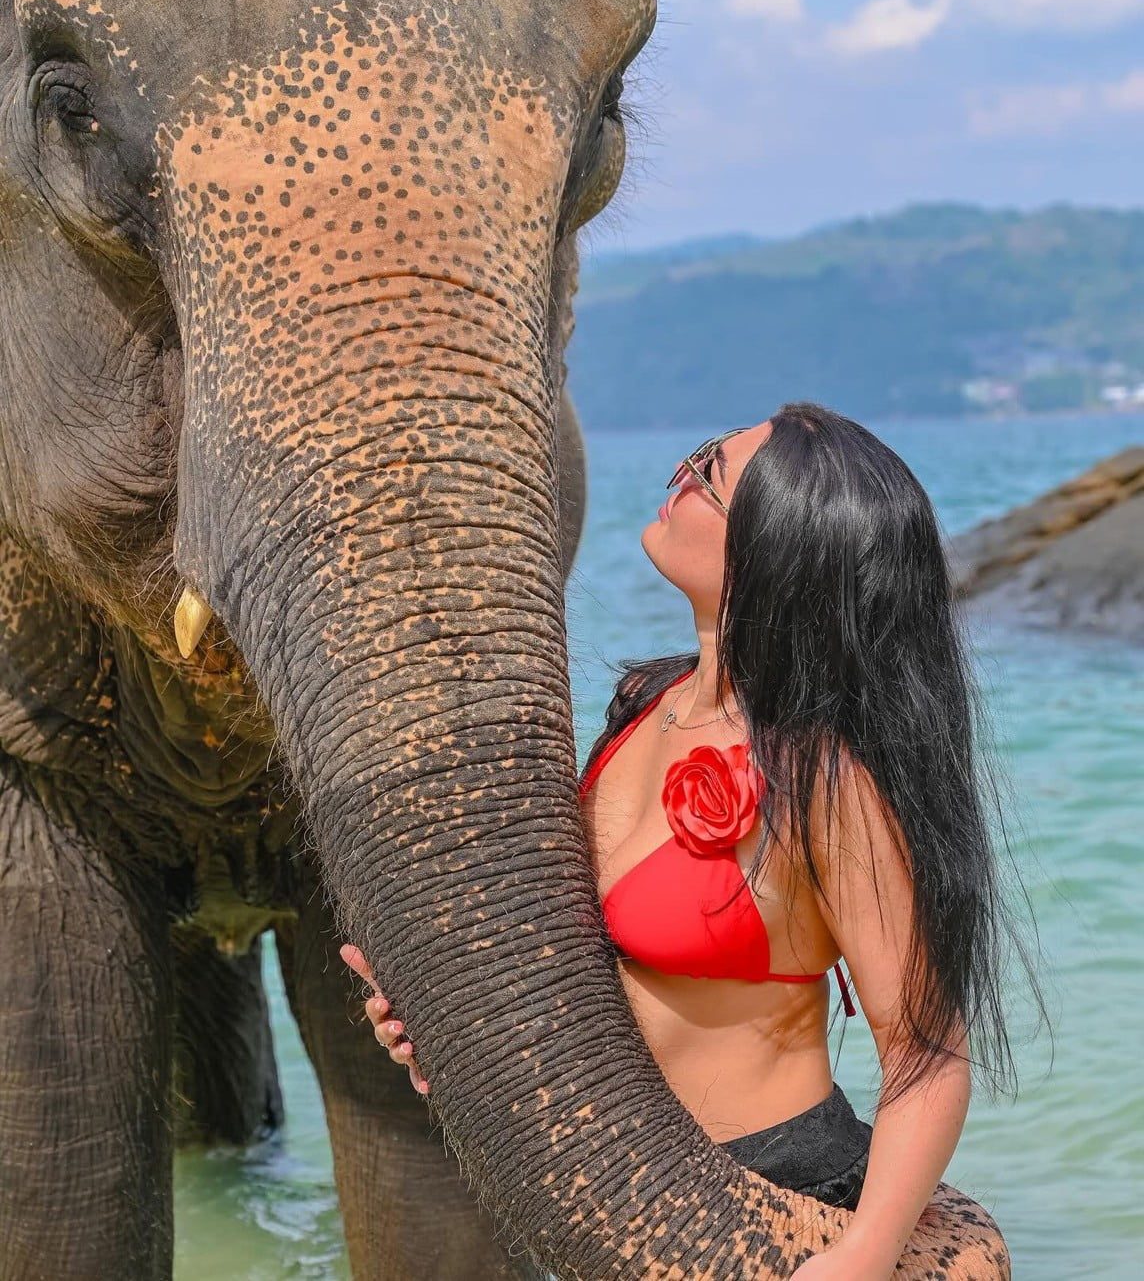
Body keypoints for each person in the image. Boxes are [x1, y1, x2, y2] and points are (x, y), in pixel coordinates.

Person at [342, 401, 1027, 1278]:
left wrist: (863, 1253)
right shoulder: (644, 706)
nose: (680, 476)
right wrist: (449, 1031)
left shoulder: (821, 776)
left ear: (773, 548)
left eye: (710, 474)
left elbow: (926, 1057)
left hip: (776, 1194)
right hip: (612, 1185)